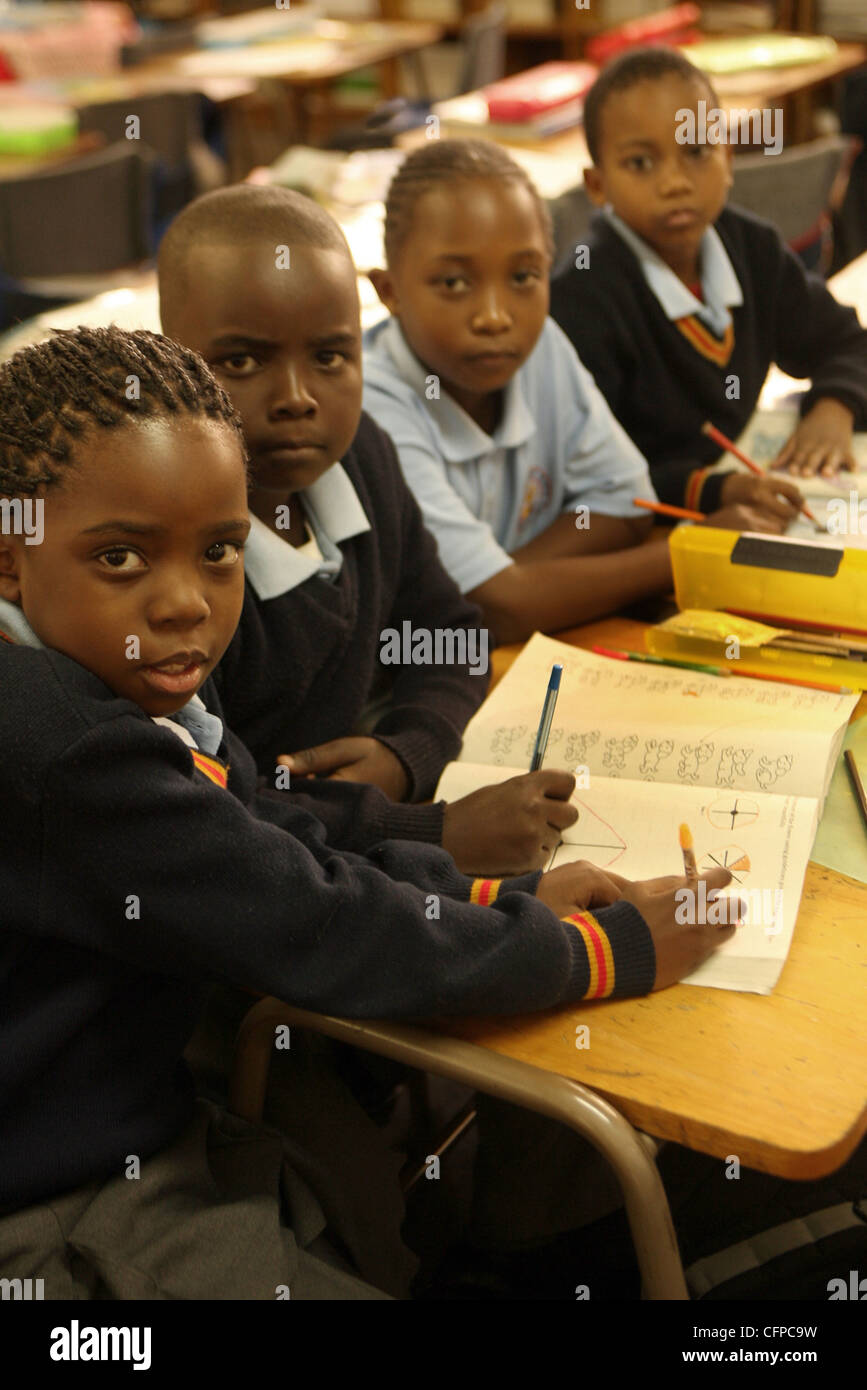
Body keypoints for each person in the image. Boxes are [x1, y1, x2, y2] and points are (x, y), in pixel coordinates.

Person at [0, 326, 737, 1300]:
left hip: (127, 1111)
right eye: (123, 557)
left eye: (221, 550)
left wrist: (501, 890)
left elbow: (263, 826)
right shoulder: (65, 743)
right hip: (52, 1198)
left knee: (381, 1218)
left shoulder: (101, 686)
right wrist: (604, 951)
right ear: (12, 562)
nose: (185, 603)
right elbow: (316, 920)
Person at [158, 185, 575, 875]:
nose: (296, 397)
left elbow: (448, 633)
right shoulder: (166, 555)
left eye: (329, 357)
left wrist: (407, 753)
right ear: (169, 355)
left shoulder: (361, 459)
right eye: (240, 362)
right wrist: (424, 830)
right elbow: (203, 810)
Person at [362, 138, 786, 646]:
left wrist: (501, 581)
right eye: (454, 283)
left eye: (523, 276)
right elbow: (490, 610)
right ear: (389, 292)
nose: (495, 316)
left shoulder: (539, 347)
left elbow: (626, 504)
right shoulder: (372, 406)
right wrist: (689, 552)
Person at [549, 46, 867, 512]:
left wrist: (835, 406)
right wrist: (715, 491)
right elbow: (589, 476)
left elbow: (848, 343)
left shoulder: (752, 248)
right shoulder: (584, 297)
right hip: (646, 533)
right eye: (641, 163)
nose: (675, 182)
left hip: (744, 489)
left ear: (729, 159)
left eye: (697, 152)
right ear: (597, 187)